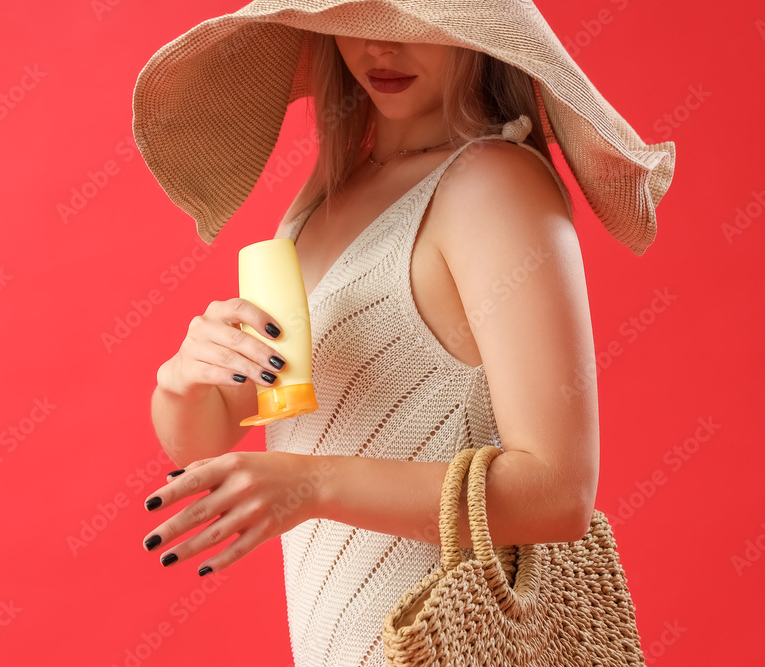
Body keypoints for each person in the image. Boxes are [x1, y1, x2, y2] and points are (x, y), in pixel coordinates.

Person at [133, 2, 675, 665]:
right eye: (355, 15)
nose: (378, 48)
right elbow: (216, 440)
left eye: (409, 17)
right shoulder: (318, 204)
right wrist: (184, 380)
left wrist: (312, 484)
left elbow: (558, 491)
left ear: (477, 28)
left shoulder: (495, 186)